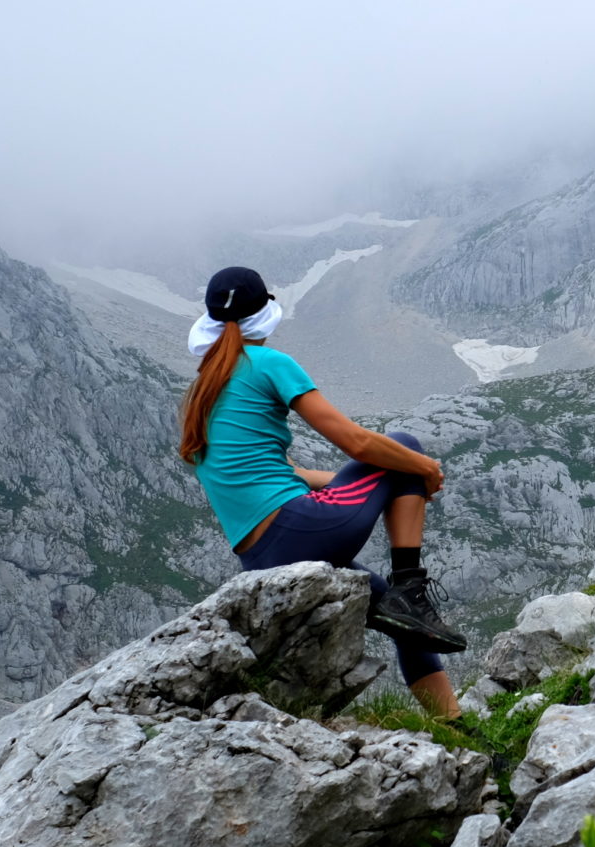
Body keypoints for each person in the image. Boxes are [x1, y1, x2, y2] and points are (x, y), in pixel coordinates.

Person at [178, 264, 467, 717]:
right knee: (402, 446)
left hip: (259, 559)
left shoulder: (202, 392)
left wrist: (383, 482)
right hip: (300, 530)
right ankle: (410, 585)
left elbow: (283, 471)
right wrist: (421, 467)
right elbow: (356, 442)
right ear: (265, 312)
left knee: (405, 625)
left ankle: (457, 727)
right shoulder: (268, 363)